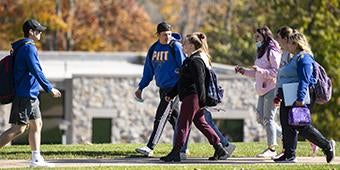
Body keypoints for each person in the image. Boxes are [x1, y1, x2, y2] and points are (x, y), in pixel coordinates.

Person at [0, 19, 61, 167]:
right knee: (18, 128)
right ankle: (35, 158)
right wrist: (49, 88)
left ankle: (36, 159)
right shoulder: (28, 48)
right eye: (38, 31)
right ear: (31, 32)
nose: (40, 33)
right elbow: (36, 70)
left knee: (37, 124)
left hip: (30, 94)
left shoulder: (23, 47)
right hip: (25, 95)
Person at [161, 32, 228, 162]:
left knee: (182, 123)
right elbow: (181, 81)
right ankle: (219, 149)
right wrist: (171, 94)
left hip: (192, 97)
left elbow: (200, 82)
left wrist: (202, 101)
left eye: (185, 43)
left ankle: (176, 152)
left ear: (192, 45)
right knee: (201, 123)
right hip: (191, 97)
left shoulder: (196, 61)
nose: (182, 45)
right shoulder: (189, 60)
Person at [273, 31, 335, 163]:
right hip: (288, 96)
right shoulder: (294, 58)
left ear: (296, 44)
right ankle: (289, 155)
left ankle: (326, 145)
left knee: (301, 126)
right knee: (286, 124)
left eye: (289, 43)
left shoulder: (304, 58)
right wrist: (279, 95)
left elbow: (304, 80)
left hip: (300, 96)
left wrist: (300, 99)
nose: (287, 45)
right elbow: (285, 77)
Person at [134, 22, 188, 157]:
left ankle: (150, 147)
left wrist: (182, 85)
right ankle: (183, 147)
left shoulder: (175, 46)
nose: (167, 37)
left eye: (169, 34)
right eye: (164, 35)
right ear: (158, 35)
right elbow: (148, 71)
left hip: (174, 88)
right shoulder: (153, 49)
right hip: (162, 88)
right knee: (175, 119)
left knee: (161, 116)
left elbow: (184, 66)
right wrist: (141, 87)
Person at [235, 26, 282, 158]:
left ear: (265, 37)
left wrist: (260, 70)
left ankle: (271, 149)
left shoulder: (272, 51)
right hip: (263, 90)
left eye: (258, 37)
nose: (255, 39)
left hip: (272, 89)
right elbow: (257, 74)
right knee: (261, 118)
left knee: (268, 118)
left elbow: (276, 72)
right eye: (255, 37)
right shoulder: (261, 51)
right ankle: (285, 136)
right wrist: (243, 71)